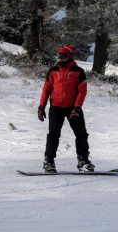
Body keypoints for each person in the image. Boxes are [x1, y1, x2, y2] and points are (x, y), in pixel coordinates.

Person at [37, 44, 95, 173]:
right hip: (56, 108)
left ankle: (83, 161)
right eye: (59, 56)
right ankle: (49, 162)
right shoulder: (53, 71)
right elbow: (46, 89)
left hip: (73, 108)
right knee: (53, 135)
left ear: (69, 56)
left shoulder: (78, 72)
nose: (60, 58)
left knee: (81, 134)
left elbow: (82, 91)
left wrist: (77, 108)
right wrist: (41, 107)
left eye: (63, 56)